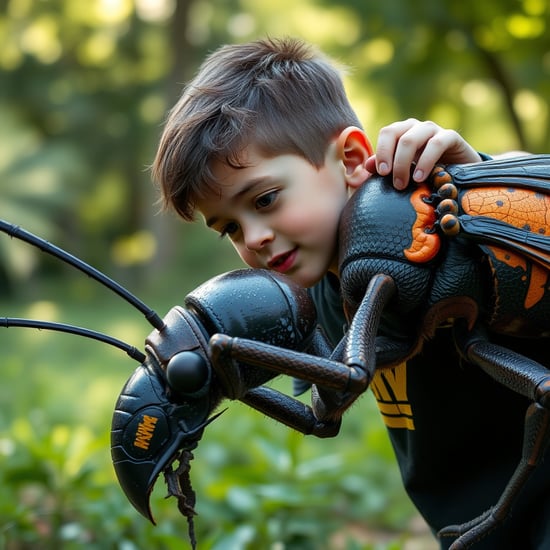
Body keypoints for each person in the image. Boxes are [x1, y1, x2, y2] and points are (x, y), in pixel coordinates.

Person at [151, 37, 550, 549]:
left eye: (266, 199)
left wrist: (480, 189)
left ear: (353, 156)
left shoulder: (437, 216)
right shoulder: (318, 299)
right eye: (229, 228)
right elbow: (322, 410)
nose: (254, 238)